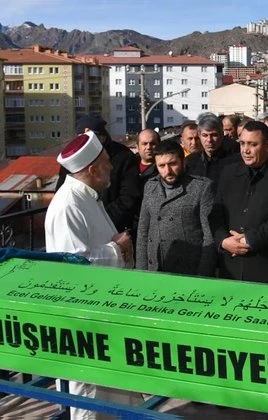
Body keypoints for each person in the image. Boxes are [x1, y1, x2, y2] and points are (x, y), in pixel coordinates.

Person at [45, 131, 141, 419]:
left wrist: (115, 244)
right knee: (92, 400)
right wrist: (116, 247)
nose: (112, 166)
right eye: (107, 162)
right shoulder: (67, 205)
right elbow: (72, 265)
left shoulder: (88, 196)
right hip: (86, 324)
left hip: (105, 313)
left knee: (117, 395)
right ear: (92, 169)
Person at [213, 121, 268, 285]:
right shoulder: (229, 172)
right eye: (243, 143)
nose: (246, 150)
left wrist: (249, 240)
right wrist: (223, 240)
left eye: (253, 144)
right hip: (230, 266)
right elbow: (216, 213)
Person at [136, 140, 216, 276]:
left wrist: (204, 274)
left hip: (188, 270)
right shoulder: (150, 186)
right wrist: (141, 271)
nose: (167, 171)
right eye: (161, 166)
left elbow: (209, 236)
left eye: (172, 164)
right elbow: (143, 230)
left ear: (182, 161)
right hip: (155, 267)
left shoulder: (201, 187)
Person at [55, 115, 141, 233]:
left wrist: (102, 219)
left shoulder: (124, 156)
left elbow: (129, 196)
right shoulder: (73, 158)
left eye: (91, 138)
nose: (85, 143)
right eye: (82, 138)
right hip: (82, 223)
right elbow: (61, 189)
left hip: (116, 226)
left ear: (103, 137)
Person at [185, 114, 236, 184]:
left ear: (221, 135)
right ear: (199, 135)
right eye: (205, 135)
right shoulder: (189, 162)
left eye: (214, 135)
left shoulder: (234, 162)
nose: (209, 140)